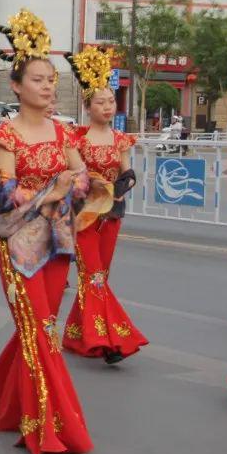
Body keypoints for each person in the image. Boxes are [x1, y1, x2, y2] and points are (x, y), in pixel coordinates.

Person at [0, 10, 107, 454]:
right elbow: (4, 194)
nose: (48, 86)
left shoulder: (64, 132)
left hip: (58, 242)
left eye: (51, 79)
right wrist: (52, 190)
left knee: (41, 328)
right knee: (39, 329)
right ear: (16, 86)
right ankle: (50, 425)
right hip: (18, 244)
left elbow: (85, 178)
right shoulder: (4, 137)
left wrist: (74, 186)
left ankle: (7, 400)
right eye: (37, 79)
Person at [58, 48, 148, 363]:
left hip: (111, 215)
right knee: (93, 275)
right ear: (87, 106)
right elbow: (73, 176)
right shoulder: (77, 140)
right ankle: (110, 340)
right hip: (84, 217)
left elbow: (129, 174)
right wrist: (90, 185)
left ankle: (77, 334)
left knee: (98, 277)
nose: (108, 106)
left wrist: (119, 189)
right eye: (100, 102)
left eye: (111, 101)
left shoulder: (120, 139)